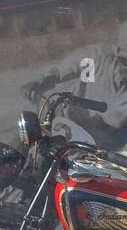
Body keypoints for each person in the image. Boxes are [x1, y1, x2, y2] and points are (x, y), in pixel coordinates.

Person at [23, 21, 127, 152]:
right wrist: (42, 81)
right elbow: (64, 69)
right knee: (29, 142)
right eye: (125, 60)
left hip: (104, 147)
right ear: (117, 51)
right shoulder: (97, 56)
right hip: (66, 122)